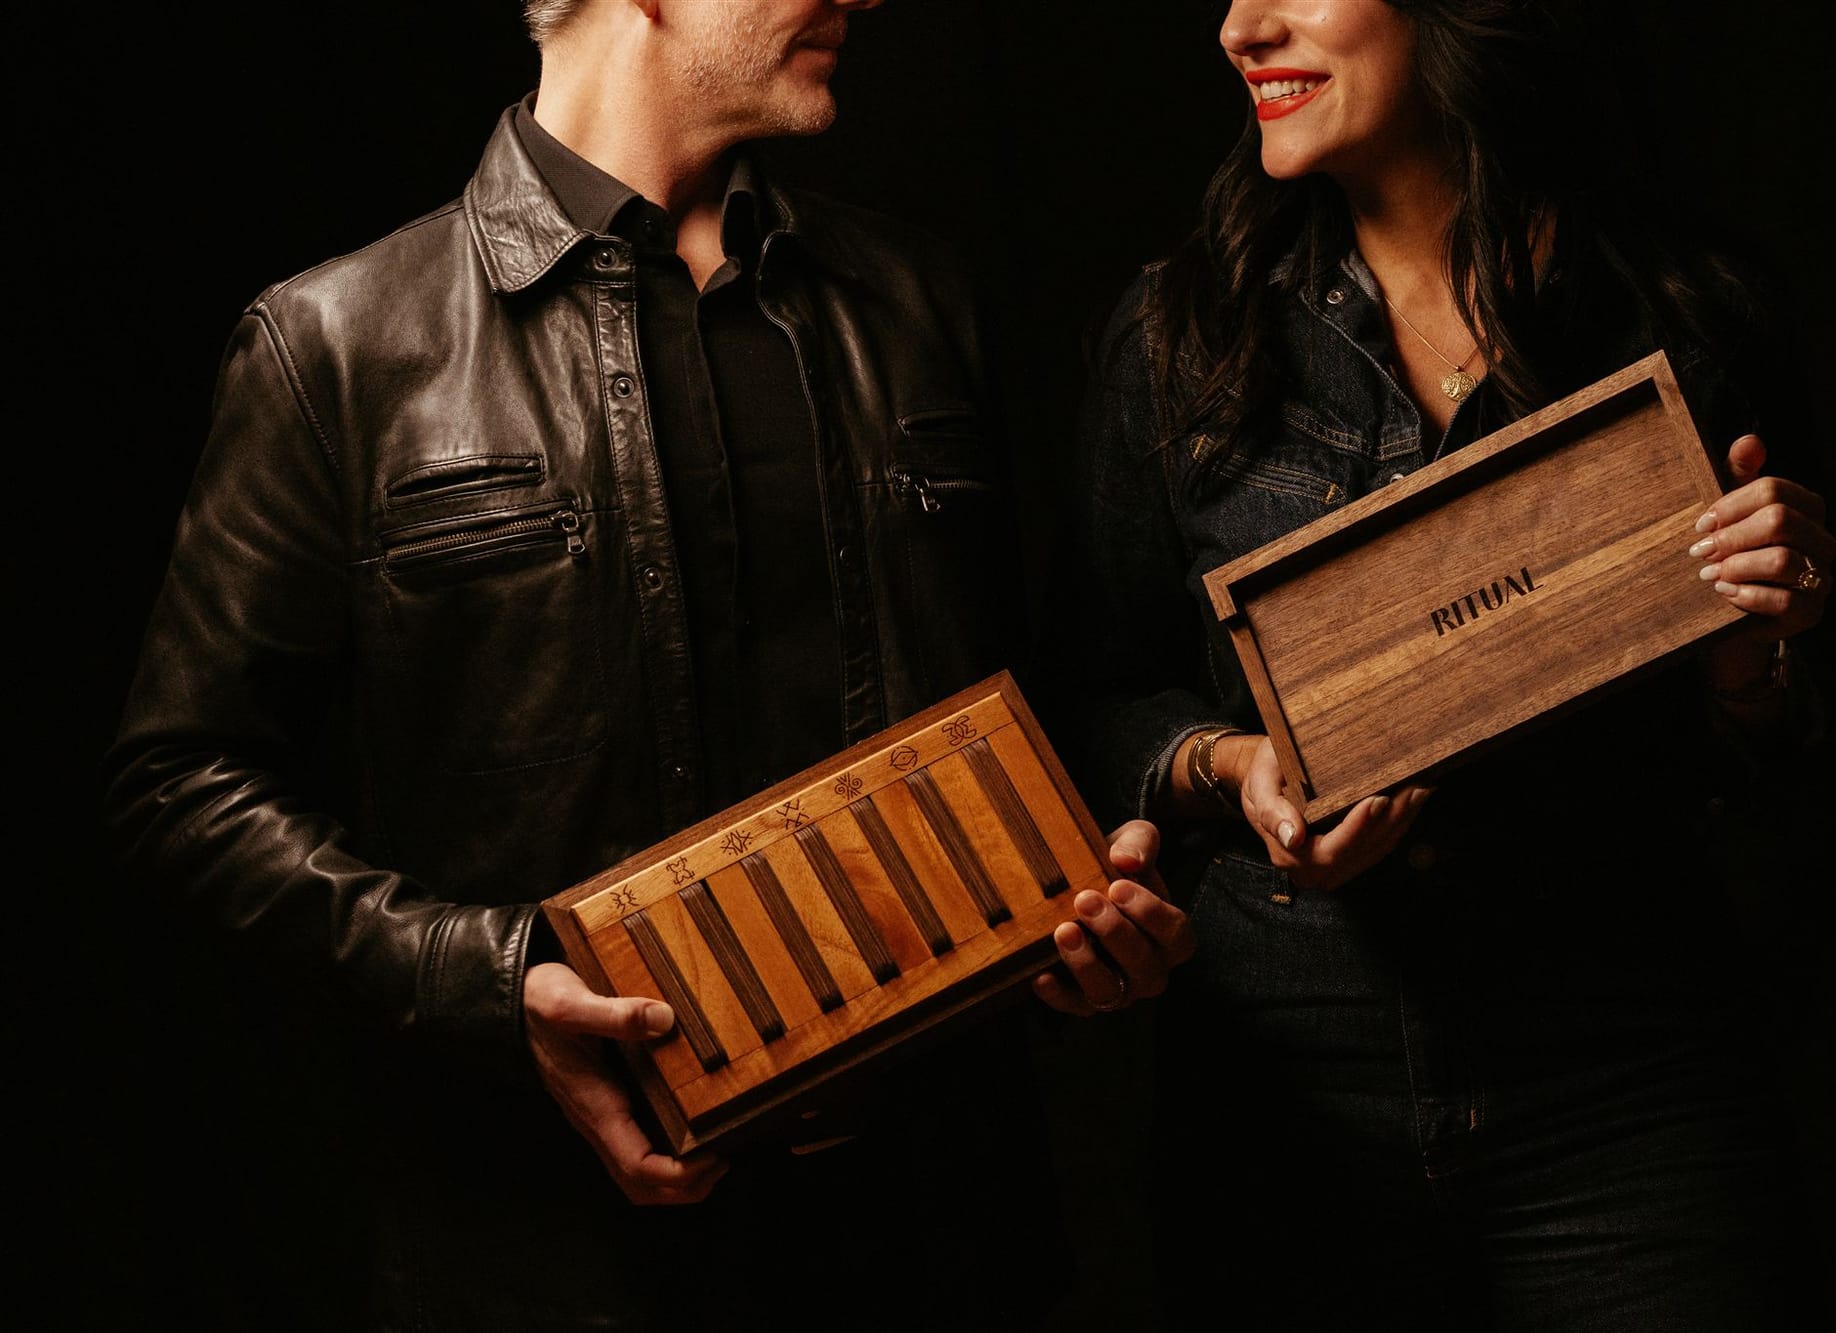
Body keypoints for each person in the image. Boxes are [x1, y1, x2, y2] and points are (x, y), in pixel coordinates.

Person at [100, 1, 1191, 1329]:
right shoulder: (337, 341)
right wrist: (498, 980)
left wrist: (1076, 912)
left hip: (935, 1233)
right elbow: (181, 781)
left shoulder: (915, 301)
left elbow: (1026, 709)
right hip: (549, 1254)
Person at [1056, 1, 1836, 1329]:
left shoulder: (1687, 317)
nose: (1241, 24)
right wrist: (1234, 765)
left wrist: (1755, 658)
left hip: (1623, 1081)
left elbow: (1802, 766)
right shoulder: (1177, 332)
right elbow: (1098, 692)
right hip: (1287, 1103)